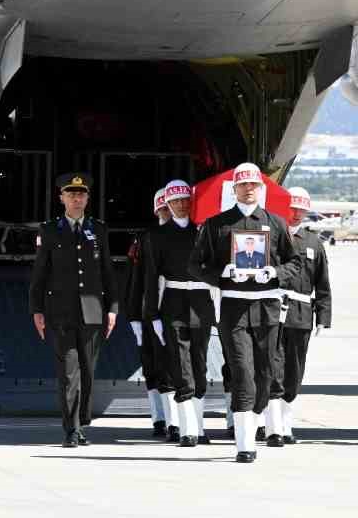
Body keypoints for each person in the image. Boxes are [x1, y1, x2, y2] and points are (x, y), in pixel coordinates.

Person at [190, 162, 301, 463]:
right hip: (234, 309)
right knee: (242, 373)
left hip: (267, 308)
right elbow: (195, 265)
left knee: (265, 376)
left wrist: (274, 272)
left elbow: (295, 264)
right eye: (243, 185)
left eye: (253, 185)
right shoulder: (216, 225)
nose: (248, 189)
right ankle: (244, 444)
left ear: (260, 188)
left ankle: (254, 422)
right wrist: (222, 274)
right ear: (235, 188)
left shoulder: (277, 224)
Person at [29, 171, 119, 447]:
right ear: (61, 198)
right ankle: (71, 428)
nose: (76, 198)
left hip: (92, 311)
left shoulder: (99, 230)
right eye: (71, 194)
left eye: (81, 194)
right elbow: (40, 274)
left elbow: (107, 272)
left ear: (87, 198)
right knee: (69, 372)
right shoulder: (50, 230)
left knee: (88, 371)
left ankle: (82, 420)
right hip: (60, 312)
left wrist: (112, 308)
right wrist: (37, 310)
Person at [143, 179, 217, 448]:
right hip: (173, 304)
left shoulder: (204, 232)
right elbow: (152, 278)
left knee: (199, 365)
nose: (181, 206)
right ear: (168, 205)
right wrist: (151, 315)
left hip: (200, 302)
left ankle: (199, 427)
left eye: (185, 200)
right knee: (180, 366)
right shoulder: (157, 236)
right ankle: (187, 429)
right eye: (175, 202)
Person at [264, 186, 330, 446]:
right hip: (272, 308)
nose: (296, 214)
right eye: (292, 208)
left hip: (301, 314)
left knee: (294, 371)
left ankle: (286, 422)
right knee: (273, 368)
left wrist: (323, 316)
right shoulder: (272, 236)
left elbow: (323, 283)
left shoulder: (314, 242)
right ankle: (274, 426)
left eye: (301, 209)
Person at [127, 187, 176, 440]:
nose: (168, 211)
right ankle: (159, 417)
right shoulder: (147, 238)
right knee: (152, 367)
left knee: (171, 367)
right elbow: (137, 280)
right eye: (164, 207)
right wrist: (134, 314)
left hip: (174, 309)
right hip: (149, 311)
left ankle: (173, 420)